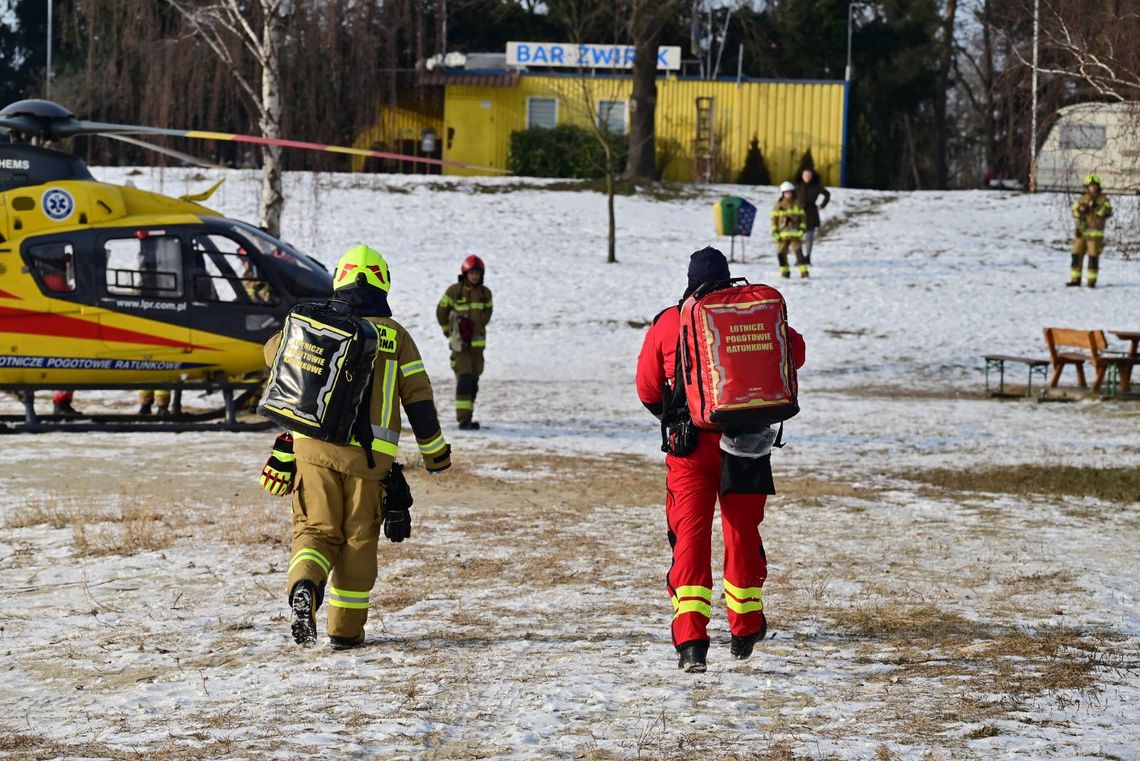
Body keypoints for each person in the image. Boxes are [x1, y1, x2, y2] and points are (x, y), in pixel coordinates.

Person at [260, 244, 451, 649]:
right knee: (358, 541)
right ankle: (345, 632)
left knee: (314, 529)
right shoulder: (396, 336)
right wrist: (435, 454)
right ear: (383, 282)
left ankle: (305, 587)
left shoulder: (315, 322)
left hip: (312, 451)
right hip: (369, 460)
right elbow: (418, 397)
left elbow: (273, 352)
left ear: (339, 278)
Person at [636, 247, 806, 673]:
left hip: (690, 450)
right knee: (742, 532)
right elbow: (795, 352)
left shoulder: (669, 322)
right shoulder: (752, 315)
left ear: (689, 281)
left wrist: (679, 414)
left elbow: (647, 389)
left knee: (690, 538)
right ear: (729, 279)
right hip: (747, 442)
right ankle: (745, 628)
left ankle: (691, 642)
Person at [436, 255, 493, 430]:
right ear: (465, 273)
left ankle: (468, 416)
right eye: (471, 273)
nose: (474, 276)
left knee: (473, 382)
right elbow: (441, 312)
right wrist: (450, 332)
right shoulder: (454, 291)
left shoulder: (485, 294)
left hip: (477, 349)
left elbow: (486, 317)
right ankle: (463, 420)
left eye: (477, 273)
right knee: (465, 379)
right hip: (460, 348)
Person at [1069, 173, 1113, 288]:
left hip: (1095, 235)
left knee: (1093, 258)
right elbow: (1074, 211)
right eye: (1090, 186)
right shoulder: (1082, 199)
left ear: (1098, 186)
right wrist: (1080, 210)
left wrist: (1095, 207)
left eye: (1094, 185)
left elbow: (1105, 211)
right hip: (1081, 233)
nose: (1092, 188)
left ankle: (1091, 281)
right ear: (1087, 187)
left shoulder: (1103, 200)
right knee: (1076, 255)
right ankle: (1075, 279)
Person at [771, 181, 808, 279]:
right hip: (782, 235)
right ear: (783, 193)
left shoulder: (797, 205)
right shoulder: (778, 206)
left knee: (799, 253)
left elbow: (803, 218)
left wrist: (802, 229)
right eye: (786, 193)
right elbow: (774, 220)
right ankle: (785, 272)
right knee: (781, 253)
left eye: (790, 192)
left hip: (796, 234)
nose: (788, 194)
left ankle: (804, 272)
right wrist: (775, 231)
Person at [794, 169, 830, 265]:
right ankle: (799, 257)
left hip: (811, 214)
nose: (807, 177)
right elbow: (791, 198)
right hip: (799, 214)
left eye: (809, 175)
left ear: (811, 177)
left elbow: (827, 194)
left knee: (809, 237)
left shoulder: (816, 187)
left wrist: (821, 206)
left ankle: (808, 257)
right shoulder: (797, 186)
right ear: (802, 176)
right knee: (797, 237)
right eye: (805, 175)